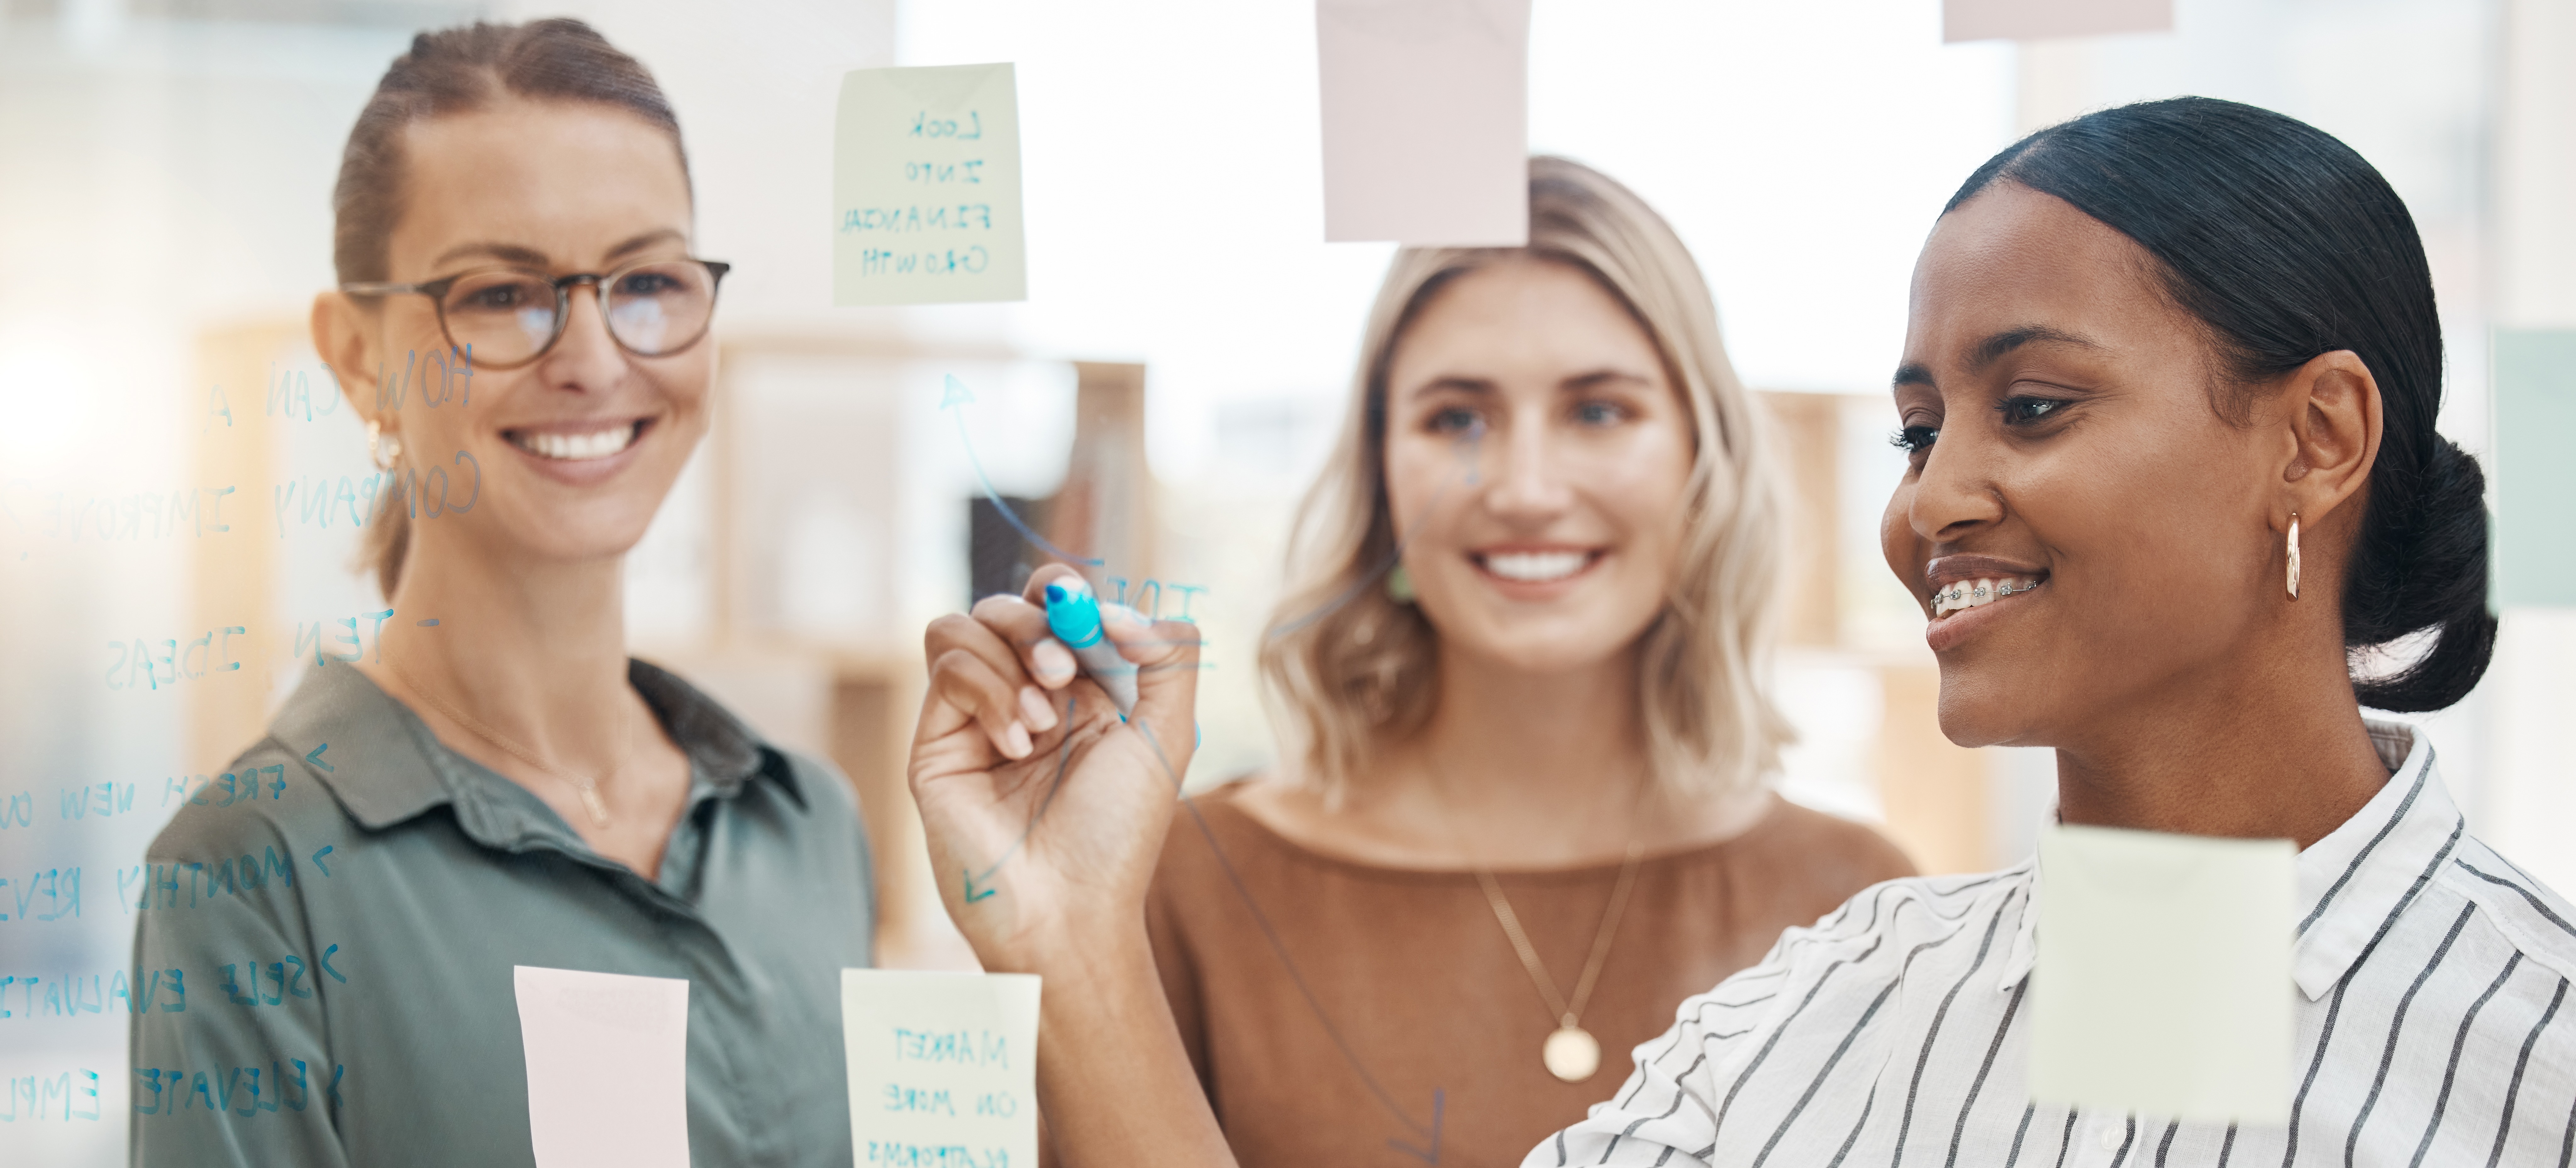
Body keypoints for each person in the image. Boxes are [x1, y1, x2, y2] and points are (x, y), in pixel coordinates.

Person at [1542, 97, 2576, 1165]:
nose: (1931, 500)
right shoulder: (1809, 1020)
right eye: (1918, 433)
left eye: (2032, 405)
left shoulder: (2541, 1064)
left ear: (2316, 440)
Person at [910, 159, 1912, 1166]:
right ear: (1382, 476)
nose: (1524, 488)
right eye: (1457, 418)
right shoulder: (1176, 885)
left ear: (1704, 462)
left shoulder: (1854, 903)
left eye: (1599, 411)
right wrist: (1070, 942)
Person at [130, 21, 874, 1167]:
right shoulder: (250, 877)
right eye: (501, 295)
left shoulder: (811, 827)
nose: (590, 356)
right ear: (359, 359)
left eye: (647, 281)